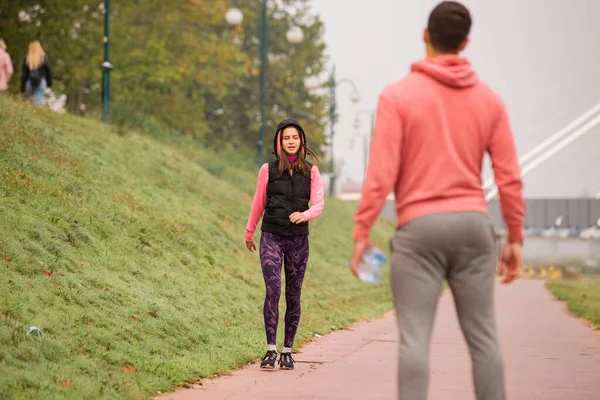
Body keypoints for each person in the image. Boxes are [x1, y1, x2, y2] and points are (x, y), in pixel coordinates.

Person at [350, 2, 524, 399]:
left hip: (419, 231)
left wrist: (362, 232)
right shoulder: (490, 101)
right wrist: (515, 237)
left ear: (425, 36)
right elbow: (509, 177)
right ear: (465, 43)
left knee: (414, 339)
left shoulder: (397, 96)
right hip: (472, 226)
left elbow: (380, 175)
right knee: (484, 338)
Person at [245, 119, 325, 370]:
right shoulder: (267, 170)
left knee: (293, 295)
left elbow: (319, 204)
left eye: (295, 137)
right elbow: (258, 202)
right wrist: (249, 232)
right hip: (271, 236)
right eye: (286, 138)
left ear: (301, 141)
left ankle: (287, 351)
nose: (291, 141)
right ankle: (270, 349)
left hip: (299, 240)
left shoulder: (311, 171)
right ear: (279, 142)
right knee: (273, 289)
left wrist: (306, 214)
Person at [20, 40, 52, 105]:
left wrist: (22, 89)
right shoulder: (44, 59)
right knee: (37, 103)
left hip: (29, 83)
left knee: (29, 103)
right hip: (41, 82)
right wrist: (49, 85)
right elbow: (49, 73)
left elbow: (24, 75)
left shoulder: (27, 59)